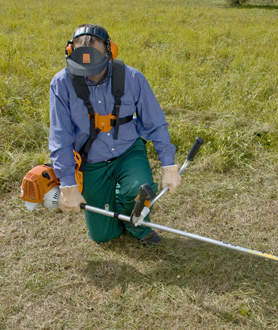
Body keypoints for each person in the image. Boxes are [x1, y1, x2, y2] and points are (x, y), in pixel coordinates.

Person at [49, 24, 181, 245]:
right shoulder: (61, 84)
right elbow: (60, 137)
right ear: (71, 53)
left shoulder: (133, 78)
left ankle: (137, 223)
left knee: (138, 190)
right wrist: (68, 184)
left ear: (111, 51)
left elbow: (155, 122)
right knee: (102, 235)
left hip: (128, 151)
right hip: (91, 162)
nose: (90, 74)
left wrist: (169, 166)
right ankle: (121, 204)